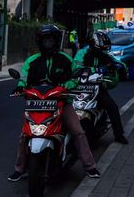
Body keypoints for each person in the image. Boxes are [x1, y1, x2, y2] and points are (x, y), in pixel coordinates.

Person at [8, 24, 101, 182]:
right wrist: (20, 88)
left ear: (56, 41)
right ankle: (20, 168)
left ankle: (90, 166)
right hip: (36, 104)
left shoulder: (66, 59)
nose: (48, 43)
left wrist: (67, 86)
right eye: (45, 40)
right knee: (24, 135)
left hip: (61, 103)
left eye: (50, 40)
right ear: (40, 41)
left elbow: (74, 78)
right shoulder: (32, 60)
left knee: (78, 132)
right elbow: (23, 78)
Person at [73, 31, 129, 144]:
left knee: (112, 107)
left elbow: (119, 62)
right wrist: (97, 70)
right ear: (93, 45)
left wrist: (119, 67)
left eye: (105, 49)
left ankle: (119, 135)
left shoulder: (105, 54)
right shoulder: (82, 53)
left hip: (98, 87)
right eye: (102, 49)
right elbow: (75, 69)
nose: (104, 51)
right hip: (79, 87)